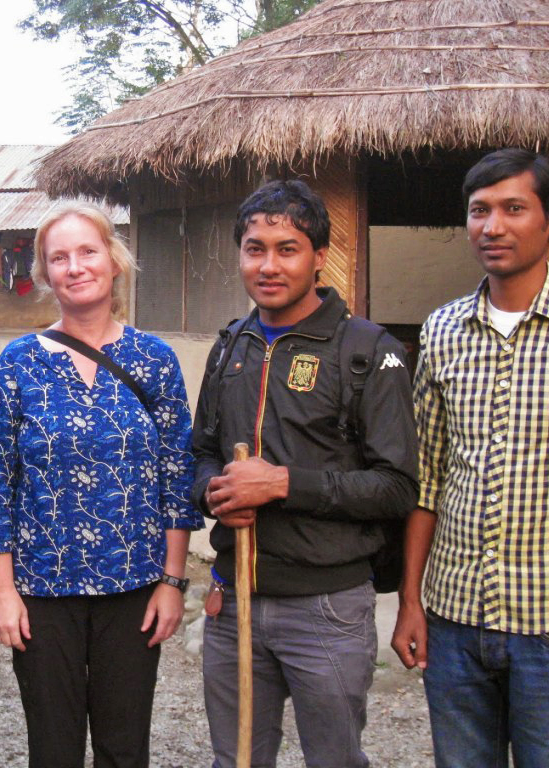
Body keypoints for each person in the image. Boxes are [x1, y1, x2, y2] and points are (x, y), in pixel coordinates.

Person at [193, 179, 418, 768]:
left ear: (319, 257)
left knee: (335, 761)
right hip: (232, 601)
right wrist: (214, 492)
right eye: (254, 247)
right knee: (236, 760)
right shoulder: (229, 347)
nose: (268, 265)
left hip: (328, 608)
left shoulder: (367, 350)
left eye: (287, 248)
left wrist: (283, 484)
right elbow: (202, 453)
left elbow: (397, 488)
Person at [392, 148, 549, 767]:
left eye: (514, 208)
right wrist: (411, 601)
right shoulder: (441, 330)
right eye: (480, 211)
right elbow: (425, 478)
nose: (494, 226)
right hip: (454, 620)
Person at [0, 202, 201, 768]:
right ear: (45, 274)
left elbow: (177, 476)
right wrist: (2, 591)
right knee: (53, 749)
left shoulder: (154, 359)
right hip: (43, 590)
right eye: (59, 258)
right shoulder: (18, 362)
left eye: (88, 252)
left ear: (114, 261)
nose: (75, 267)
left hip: (134, 586)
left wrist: (173, 581)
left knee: (125, 749)